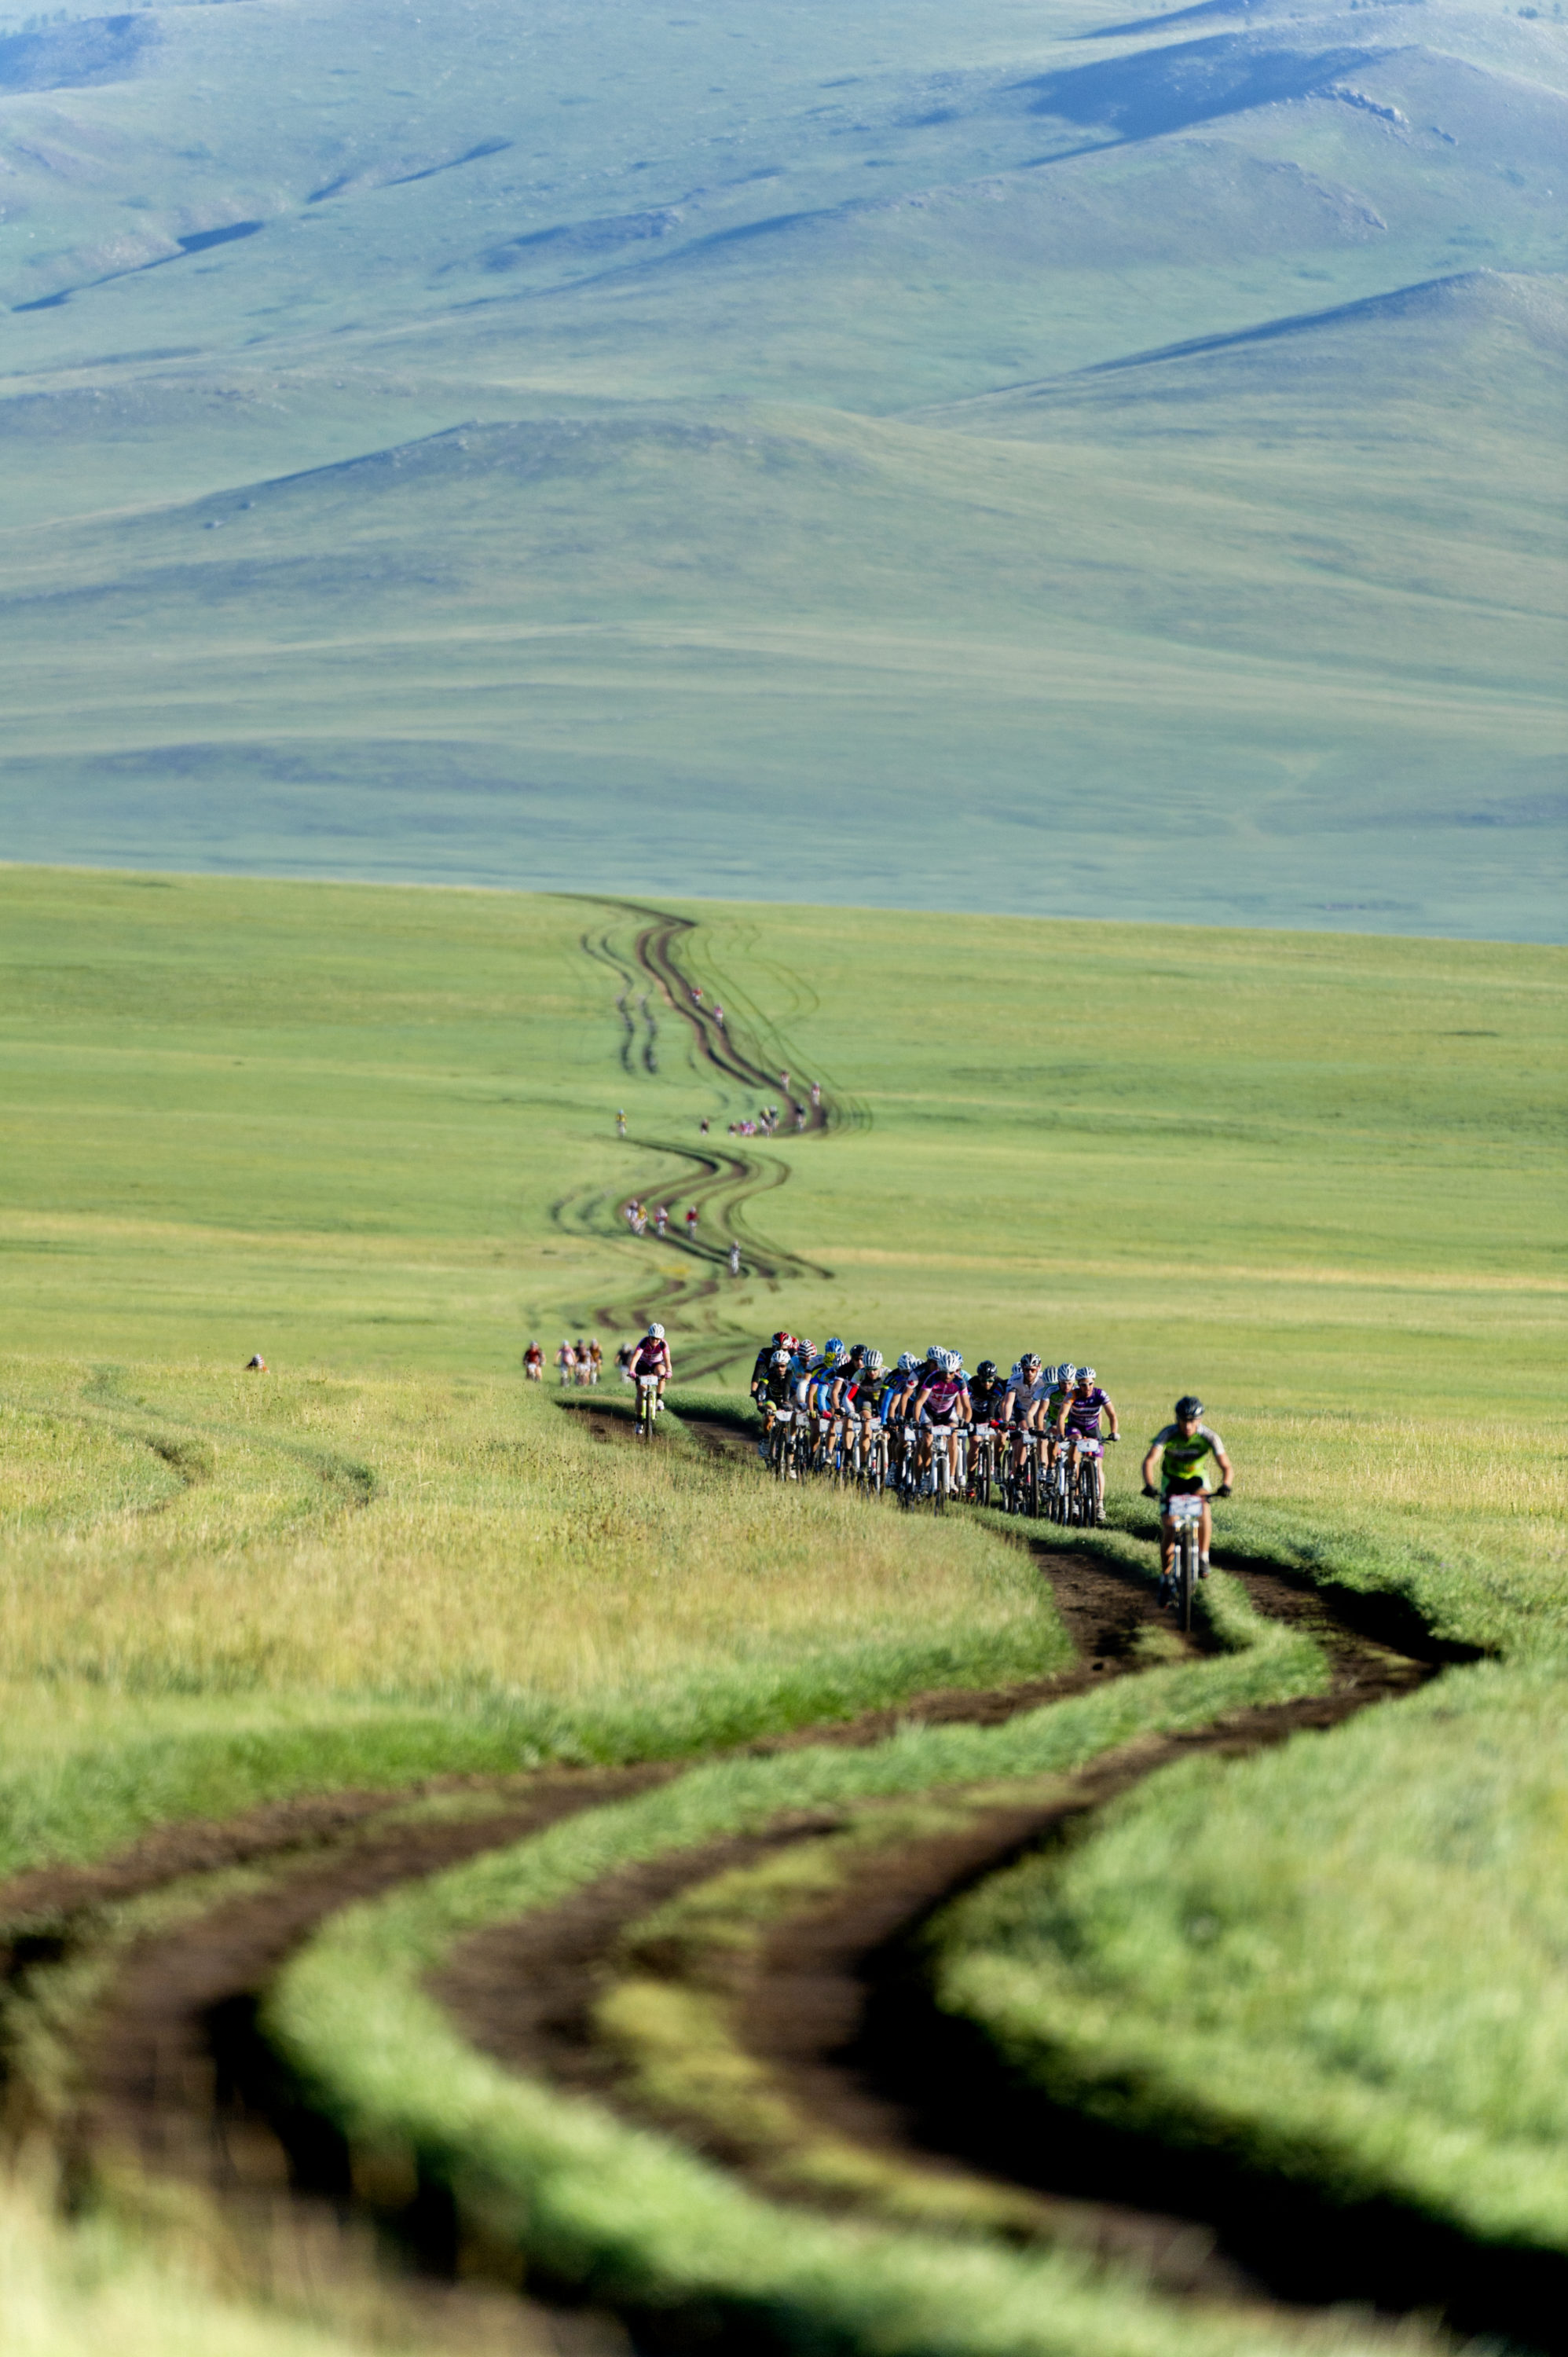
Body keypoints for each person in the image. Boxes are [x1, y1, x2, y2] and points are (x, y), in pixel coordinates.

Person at [1142, 1397, 1233, 1604]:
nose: (1188, 1425)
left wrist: (1225, 1485)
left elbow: (1226, 1466)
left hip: (1196, 1482)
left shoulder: (1209, 1436)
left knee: (1204, 1509)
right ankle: (1165, 1577)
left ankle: (1203, 1558)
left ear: (1200, 1420)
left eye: (1193, 1421)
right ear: (1178, 1419)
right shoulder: (1168, 1434)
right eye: (1184, 1420)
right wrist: (1149, 1485)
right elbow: (1150, 1461)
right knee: (1169, 1527)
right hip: (1171, 1482)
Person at [1053, 1366, 1119, 1523]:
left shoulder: (1100, 1394)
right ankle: (1073, 1478)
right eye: (1083, 1384)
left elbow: (1112, 1415)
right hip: (1076, 1427)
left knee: (1098, 1466)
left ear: (1093, 1383)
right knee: (1075, 1441)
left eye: (1090, 1384)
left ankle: (1099, 1504)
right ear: (1078, 1384)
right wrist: (1062, 1435)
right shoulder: (1072, 1395)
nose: (1087, 1388)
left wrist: (1114, 1432)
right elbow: (1062, 1416)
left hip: (1092, 1428)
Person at [913, 1350, 971, 1490]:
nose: (947, 1376)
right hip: (930, 1412)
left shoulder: (959, 1381)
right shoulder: (932, 1378)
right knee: (927, 1441)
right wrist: (916, 1421)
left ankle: (951, 1478)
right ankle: (927, 1475)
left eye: (951, 1372)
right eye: (944, 1372)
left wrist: (966, 1422)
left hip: (947, 1413)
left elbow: (967, 1406)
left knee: (954, 1437)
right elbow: (919, 1402)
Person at [630, 1321, 672, 1411]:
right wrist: (631, 1371)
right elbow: (635, 1357)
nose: (656, 1341)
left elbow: (667, 1360)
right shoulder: (644, 1343)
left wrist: (669, 1371)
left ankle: (659, 1399)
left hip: (657, 1364)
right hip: (643, 1365)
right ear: (649, 1336)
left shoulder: (663, 1344)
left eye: (658, 1339)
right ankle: (639, 1421)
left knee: (661, 1372)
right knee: (641, 1392)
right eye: (653, 1338)